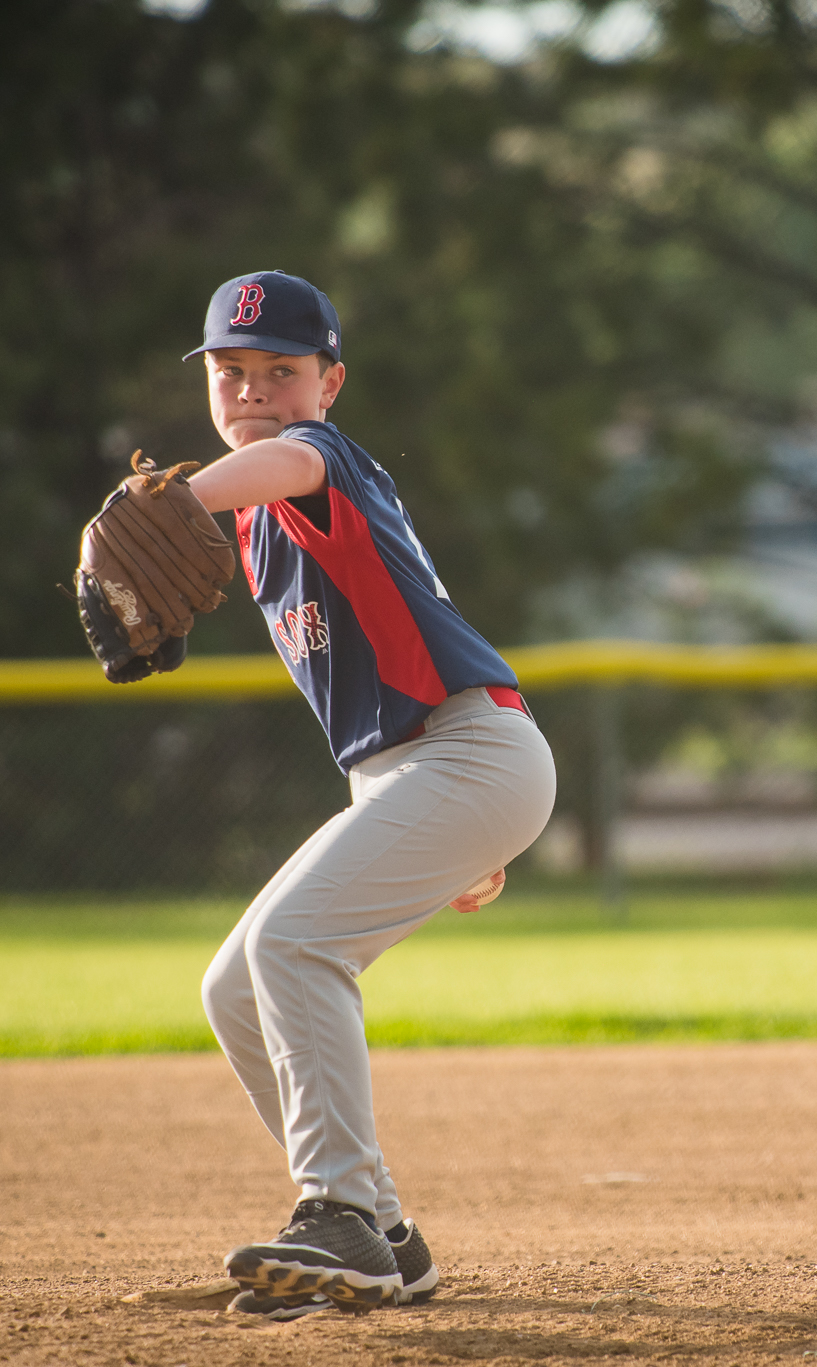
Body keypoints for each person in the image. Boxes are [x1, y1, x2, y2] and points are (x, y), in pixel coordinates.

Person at [179, 270, 557, 1319]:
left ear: (329, 381)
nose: (253, 391)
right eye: (230, 371)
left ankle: (335, 1207)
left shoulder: (318, 459)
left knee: (293, 943)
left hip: (469, 751)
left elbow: (286, 456)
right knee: (233, 984)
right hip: (421, 771)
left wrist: (170, 497)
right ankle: (384, 1236)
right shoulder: (257, 517)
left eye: (282, 372)